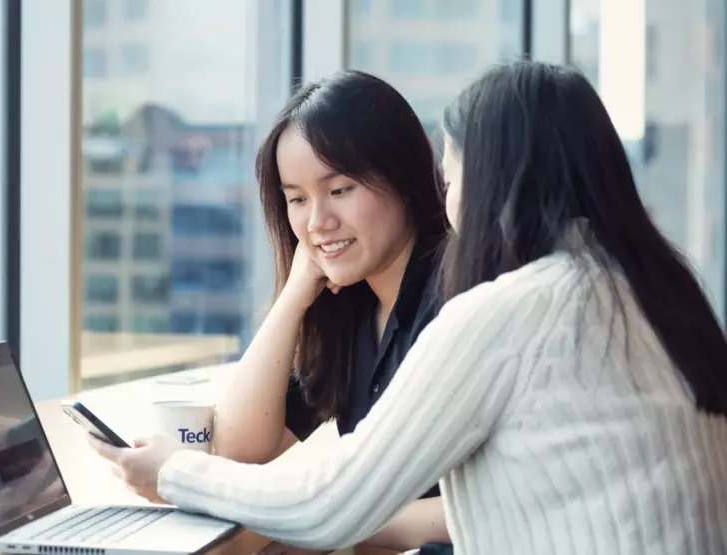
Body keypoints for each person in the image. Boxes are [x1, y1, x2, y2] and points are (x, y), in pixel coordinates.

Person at [89, 60, 727, 554]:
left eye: (452, 176)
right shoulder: (643, 286)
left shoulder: (514, 310)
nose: (448, 197)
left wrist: (173, 473)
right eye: (297, 200)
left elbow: (334, 502)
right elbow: (264, 451)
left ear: (491, 181)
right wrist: (294, 293)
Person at [209, 70, 452, 554]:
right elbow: (240, 448)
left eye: (340, 190)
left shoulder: (459, 294)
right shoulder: (351, 305)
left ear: (402, 178)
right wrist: (295, 294)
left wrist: (335, 518)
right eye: (297, 199)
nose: (318, 222)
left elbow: (498, 500)